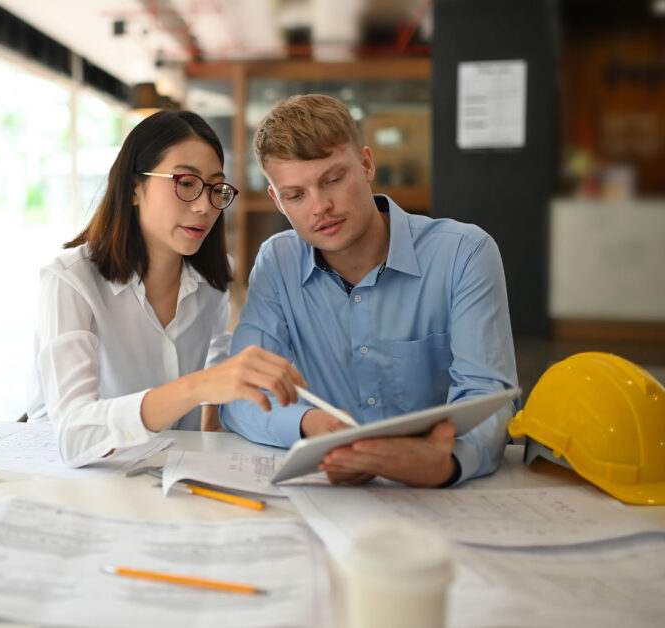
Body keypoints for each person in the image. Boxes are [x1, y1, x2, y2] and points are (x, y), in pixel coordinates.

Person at [220, 94, 518, 487]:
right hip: (335, 495)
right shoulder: (278, 263)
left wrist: (445, 462)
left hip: (445, 494)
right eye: (296, 195)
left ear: (366, 164)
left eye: (333, 179)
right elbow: (241, 396)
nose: (320, 207)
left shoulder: (464, 253)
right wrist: (308, 425)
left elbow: (490, 397)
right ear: (277, 200)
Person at [26, 110, 306, 468]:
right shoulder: (70, 281)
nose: (205, 206)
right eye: (186, 183)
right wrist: (200, 385)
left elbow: (217, 392)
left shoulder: (214, 279)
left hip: (169, 475)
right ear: (133, 189)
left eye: (216, 188)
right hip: (71, 476)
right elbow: (75, 433)